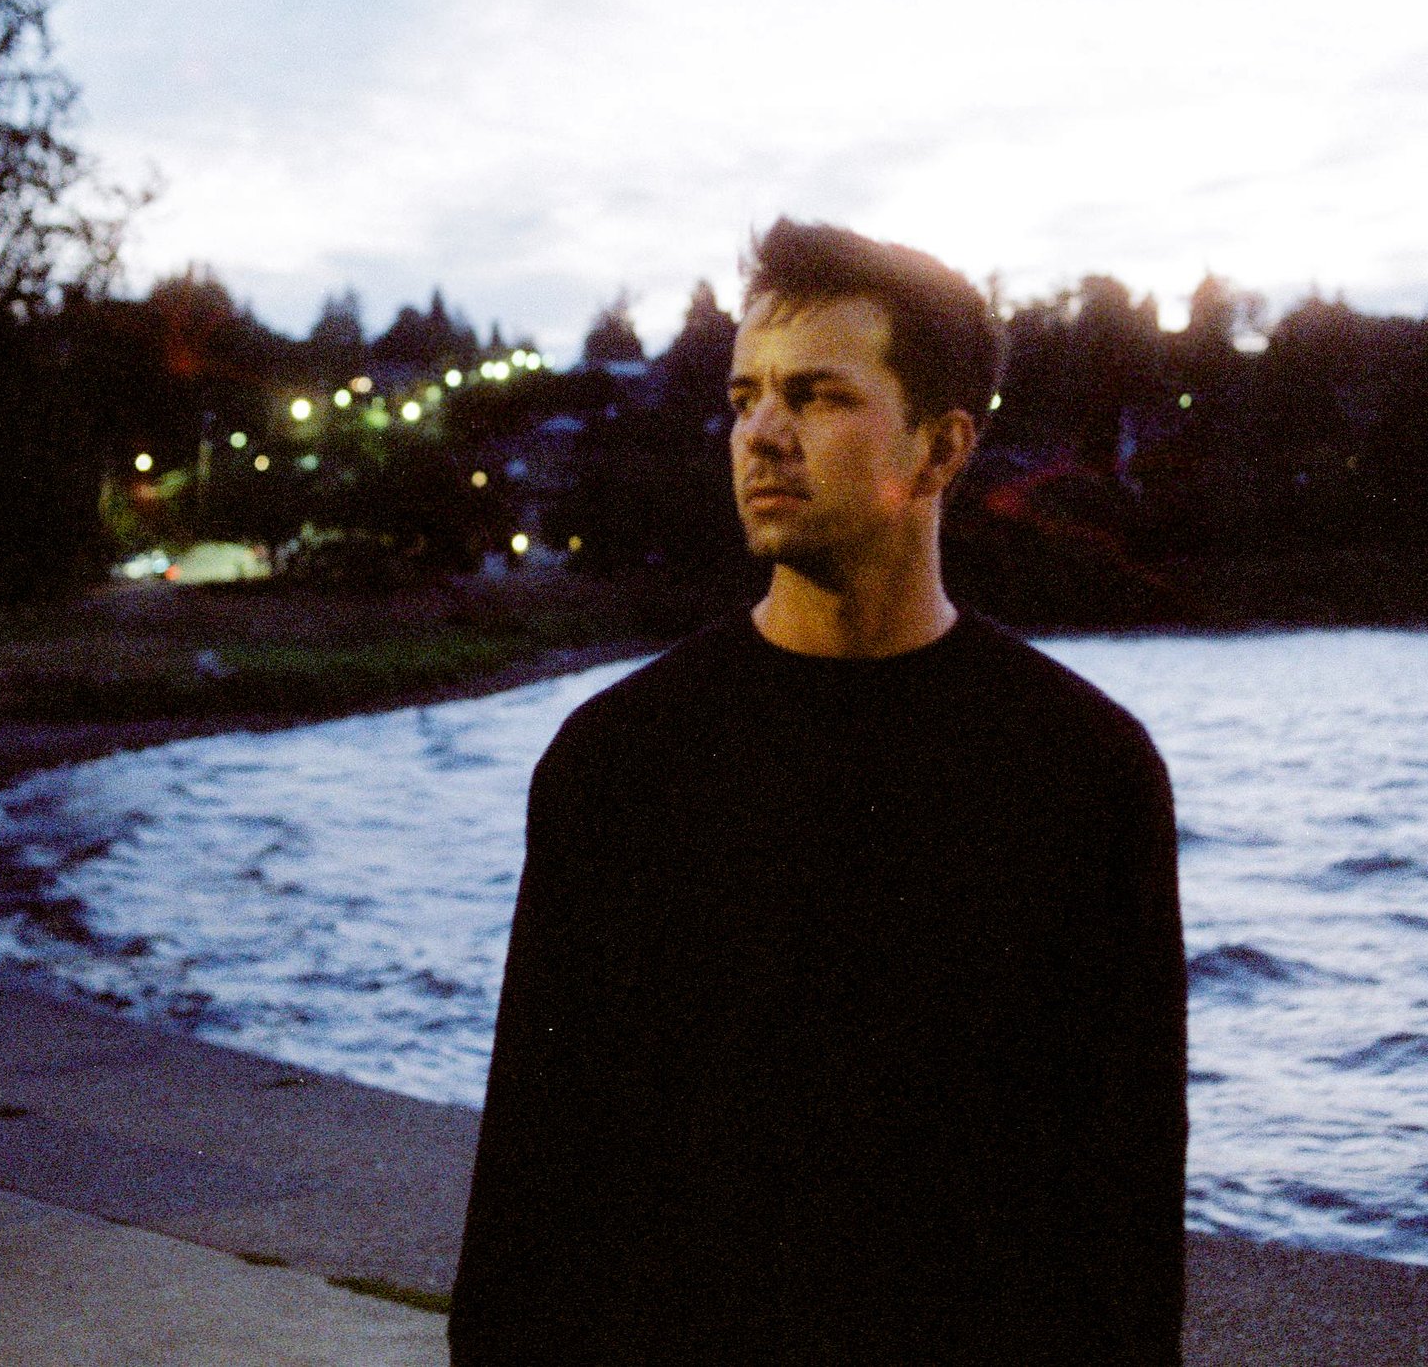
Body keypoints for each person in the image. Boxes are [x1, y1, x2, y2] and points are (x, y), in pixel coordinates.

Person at [449, 219, 1187, 1365]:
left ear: (941, 448)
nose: (761, 434)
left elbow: (1125, 1198)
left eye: (817, 395)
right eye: (745, 396)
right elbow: (534, 1179)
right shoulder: (619, 762)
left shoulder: (1085, 769)